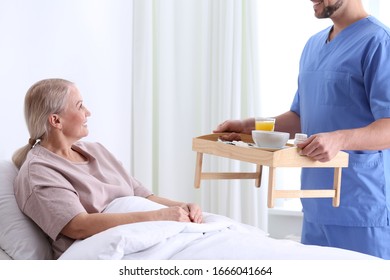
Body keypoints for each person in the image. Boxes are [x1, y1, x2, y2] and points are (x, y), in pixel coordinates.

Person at [214, 0, 390, 259]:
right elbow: (301, 116)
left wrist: (339, 139)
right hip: (315, 203)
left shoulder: (379, 42)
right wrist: (248, 126)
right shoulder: (313, 46)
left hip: (362, 208)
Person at [12, 78, 203, 259]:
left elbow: (144, 196)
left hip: (152, 237)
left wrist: (180, 207)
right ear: (56, 121)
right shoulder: (39, 171)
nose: (88, 112)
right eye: (80, 106)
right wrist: (160, 216)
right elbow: (78, 226)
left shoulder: (97, 150)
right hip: (111, 252)